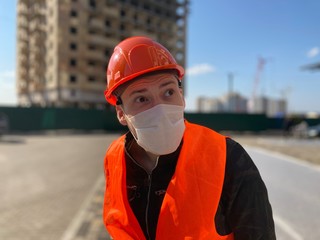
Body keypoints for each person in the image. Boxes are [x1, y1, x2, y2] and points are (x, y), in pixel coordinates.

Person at [102, 36, 276, 240]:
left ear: (181, 96)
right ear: (121, 113)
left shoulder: (227, 157)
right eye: (141, 98)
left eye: (168, 92)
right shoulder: (114, 159)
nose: (160, 109)